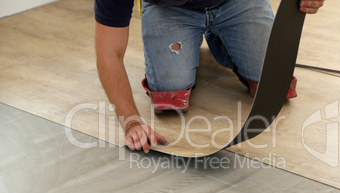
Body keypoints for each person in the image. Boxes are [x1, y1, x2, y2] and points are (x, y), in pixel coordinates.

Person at [94, 0, 325, 153]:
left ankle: (220, 36)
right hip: (168, 8)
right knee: (169, 96)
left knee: (274, 84)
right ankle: (196, 35)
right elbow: (108, 54)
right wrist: (131, 121)